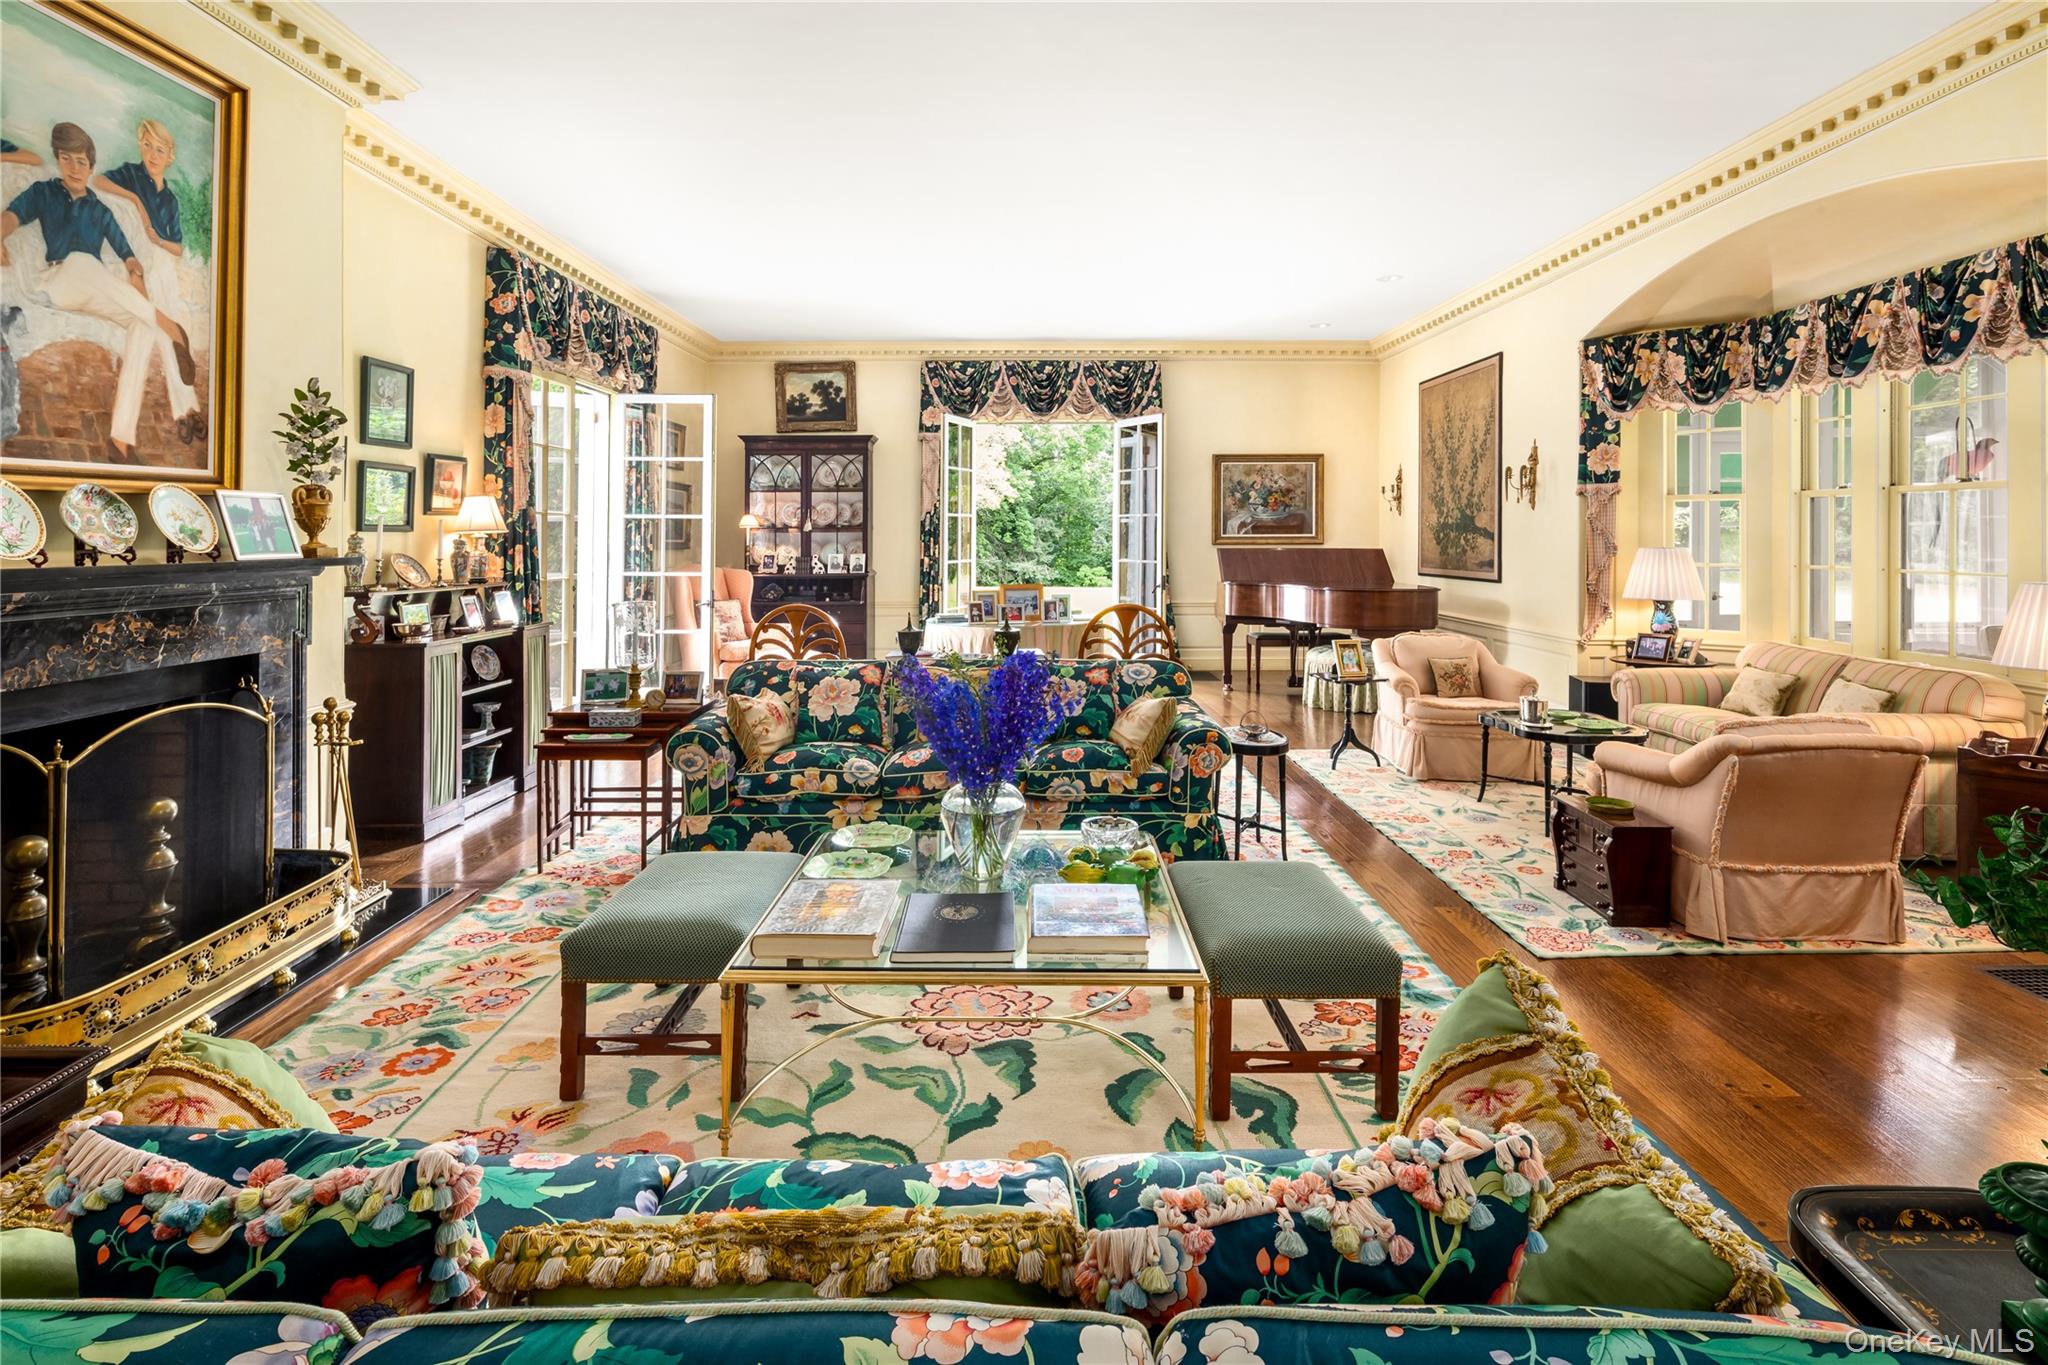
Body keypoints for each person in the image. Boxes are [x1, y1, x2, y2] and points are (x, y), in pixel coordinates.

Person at [0, 122, 195, 459]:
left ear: (91, 166)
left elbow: (125, 250)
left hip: (95, 288)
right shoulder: (43, 192)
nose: (74, 168)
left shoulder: (100, 210)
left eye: (81, 161)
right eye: (66, 159)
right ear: (59, 160)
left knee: (141, 326)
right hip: (61, 280)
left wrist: (134, 267)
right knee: (81, 261)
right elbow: (11, 217)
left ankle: (120, 438)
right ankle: (174, 329)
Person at [95, 119, 200, 443]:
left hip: (162, 265)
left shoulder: (170, 199)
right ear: (140, 147)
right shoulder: (130, 174)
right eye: (148, 146)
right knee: (160, 335)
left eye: (160, 149)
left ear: (170, 155)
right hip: (139, 266)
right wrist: (137, 203)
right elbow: (97, 180)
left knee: (148, 337)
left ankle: (124, 433)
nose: (153, 154)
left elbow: (178, 247)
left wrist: (157, 239)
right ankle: (186, 409)